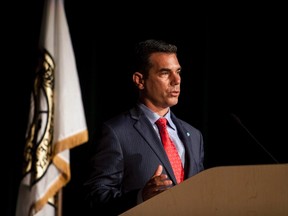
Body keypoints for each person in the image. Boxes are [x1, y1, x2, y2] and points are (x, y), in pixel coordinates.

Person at [84, 39, 205, 215]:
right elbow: (95, 198)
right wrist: (140, 197)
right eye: (165, 73)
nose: (177, 80)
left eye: (178, 72)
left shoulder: (194, 136)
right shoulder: (116, 132)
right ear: (140, 80)